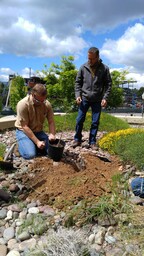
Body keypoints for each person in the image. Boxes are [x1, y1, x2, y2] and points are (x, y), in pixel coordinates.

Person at [73, 47, 112, 149]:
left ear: (97, 57)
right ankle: (77, 139)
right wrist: (78, 95)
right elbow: (78, 83)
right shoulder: (83, 67)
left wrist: (105, 98)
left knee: (95, 122)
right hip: (84, 98)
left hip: (97, 100)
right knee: (79, 120)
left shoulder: (104, 69)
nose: (89, 60)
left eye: (92, 59)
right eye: (88, 58)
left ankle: (92, 141)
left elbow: (108, 84)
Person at [15, 83, 56, 159]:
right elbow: (24, 126)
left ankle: (32, 145)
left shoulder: (46, 104)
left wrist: (52, 134)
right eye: (39, 101)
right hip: (24, 131)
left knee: (52, 152)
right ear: (33, 95)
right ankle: (20, 145)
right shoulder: (23, 104)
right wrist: (37, 142)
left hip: (38, 131)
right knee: (30, 155)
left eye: (43, 100)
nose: (41, 103)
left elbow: (51, 121)